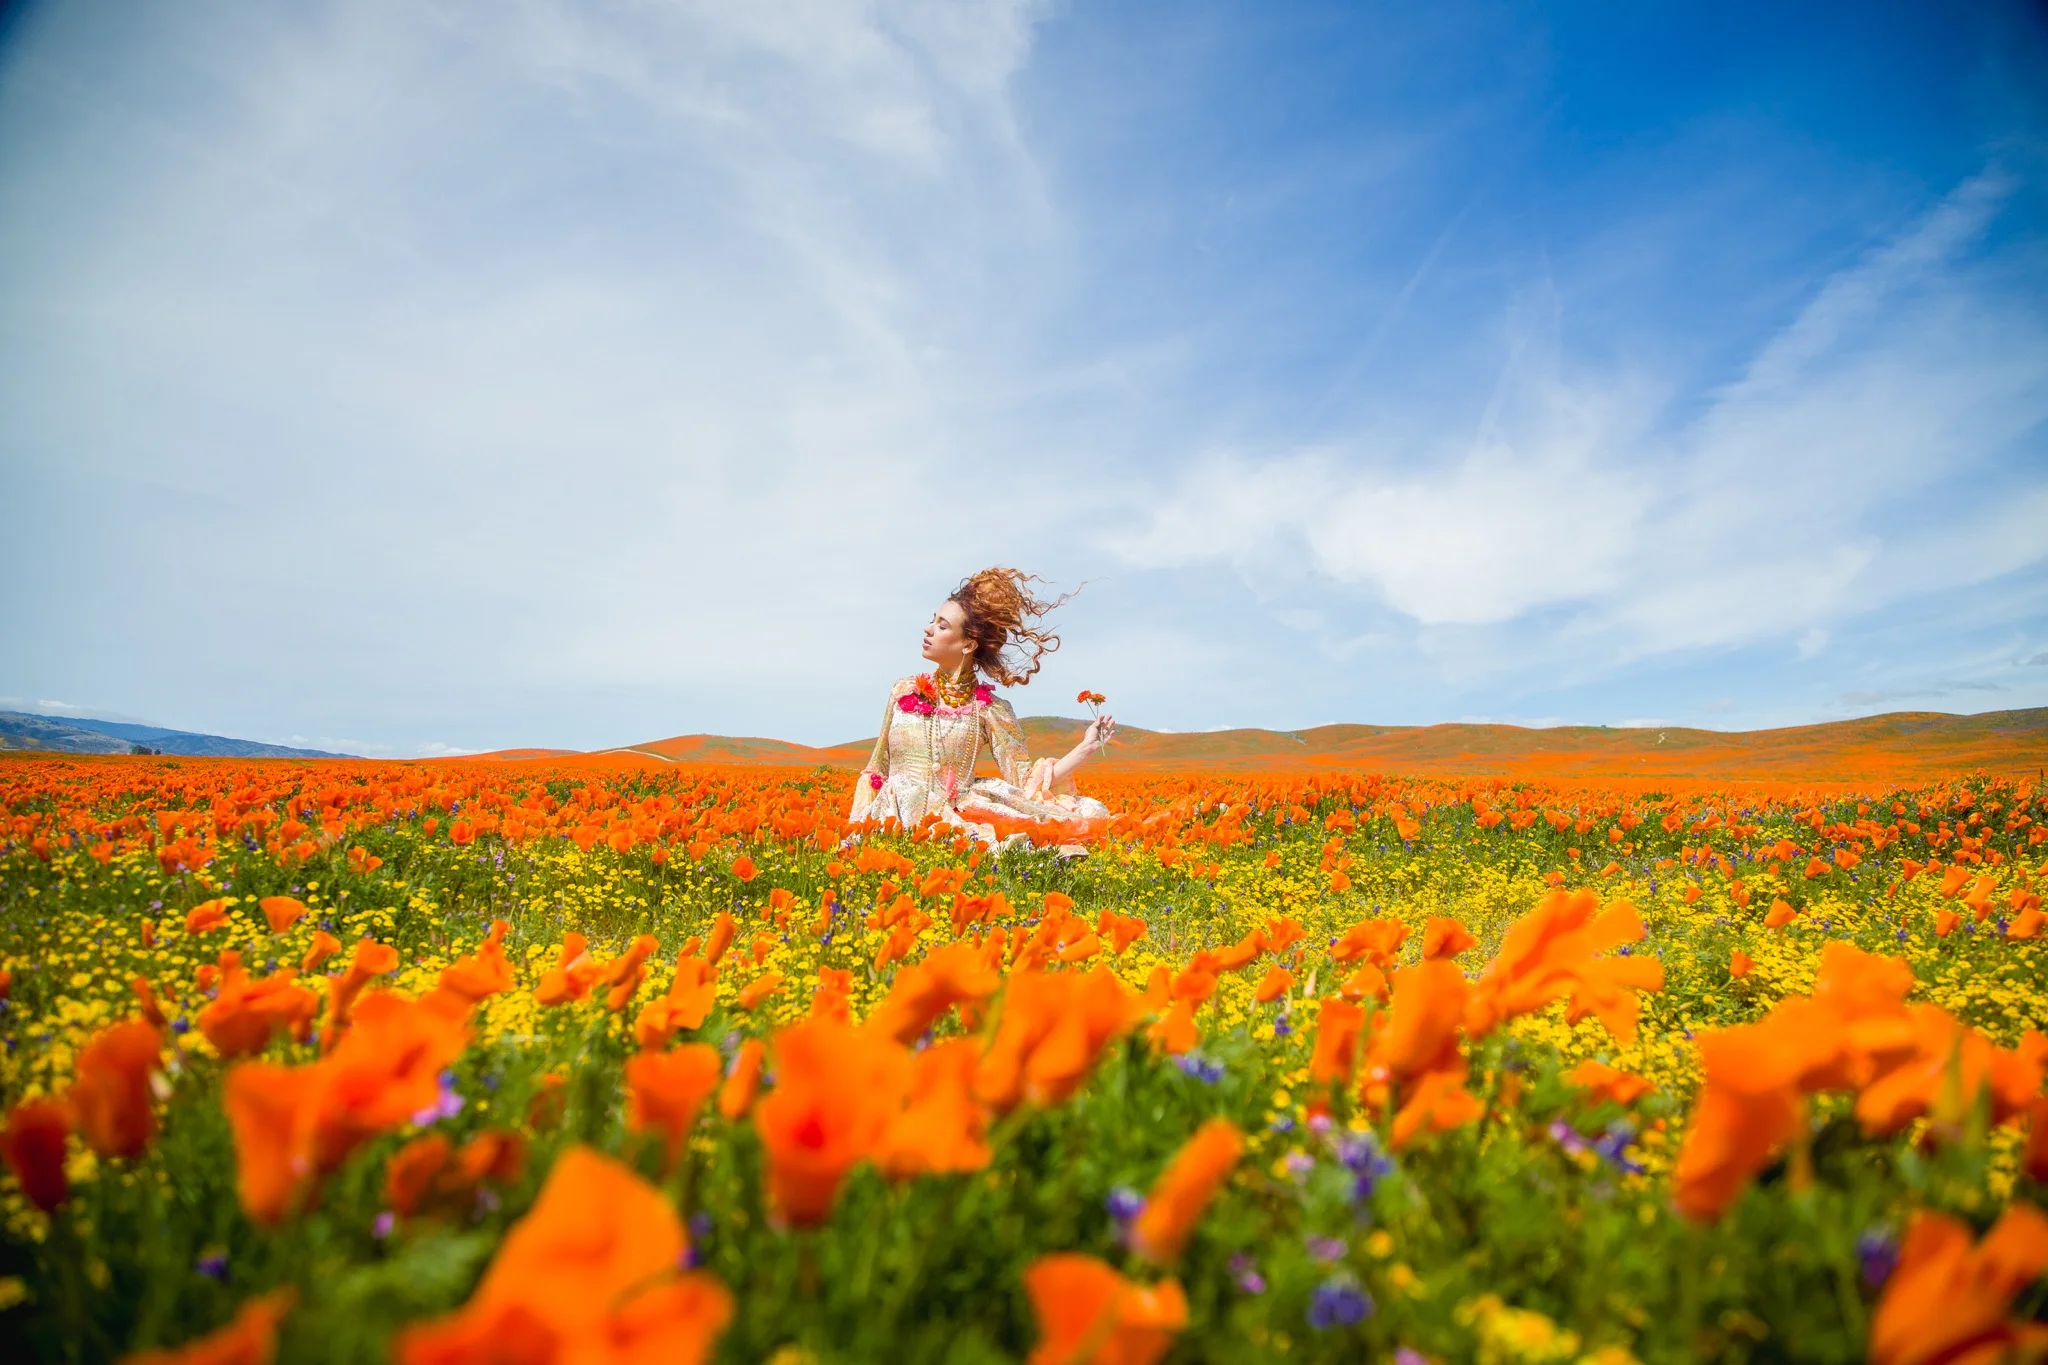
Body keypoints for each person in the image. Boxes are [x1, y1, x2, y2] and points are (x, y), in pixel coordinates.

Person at [849, 568, 1117, 844]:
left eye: (942, 626)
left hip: (955, 817)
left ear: (968, 645)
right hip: (893, 815)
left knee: (1072, 819)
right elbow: (876, 767)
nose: (928, 629)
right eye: (933, 621)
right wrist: (856, 828)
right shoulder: (903, 690)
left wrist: (1084, 750)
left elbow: (1025, 781)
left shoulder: (990, 709)